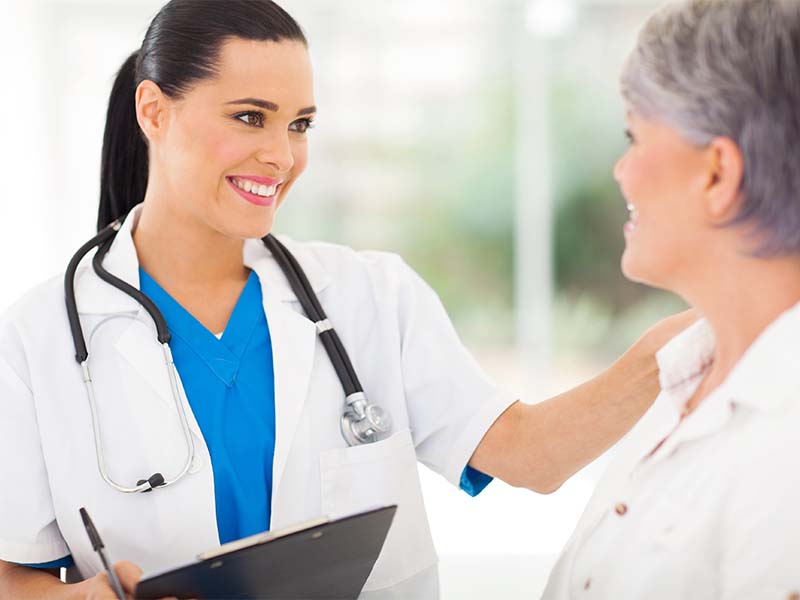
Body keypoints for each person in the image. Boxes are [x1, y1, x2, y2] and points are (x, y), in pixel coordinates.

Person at [0, 1, 693, 598]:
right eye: (250, 117)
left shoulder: (369, 296)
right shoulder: (41, 339)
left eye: (300, 124)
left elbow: (531, 457)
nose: (283, 156)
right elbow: (13, 573)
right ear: (154, 110)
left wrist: (687, 339)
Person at [543, 0, 800, 598]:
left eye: (635, 137)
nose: (621, 171)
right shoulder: (686, 376)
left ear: (717, 175)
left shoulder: (788, 449)